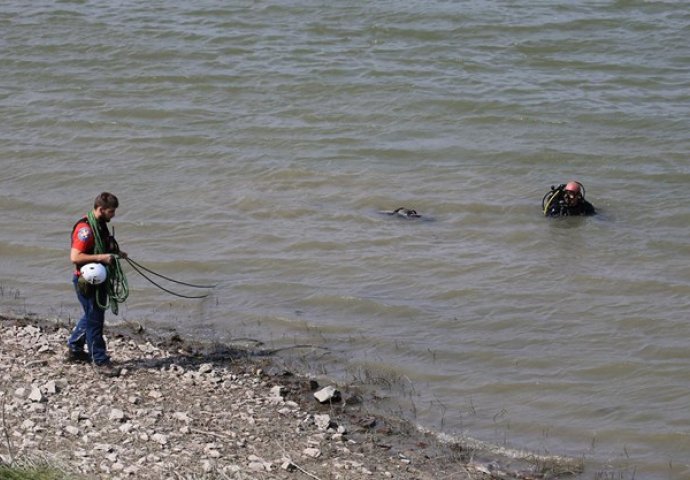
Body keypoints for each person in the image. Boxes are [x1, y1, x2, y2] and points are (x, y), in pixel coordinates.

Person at [66, 192, 127, 376]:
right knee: (95, 320)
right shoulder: (85, 229)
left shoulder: (100, 225)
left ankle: (75, 349)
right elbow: (75, 257)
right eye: (111, 211)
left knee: (91, 314)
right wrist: (102, 257)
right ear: (100, 209)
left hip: (99, 279)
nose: (113, 215)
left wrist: (118, 253)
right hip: (86, 281)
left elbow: (103, 245)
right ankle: (100, 361)